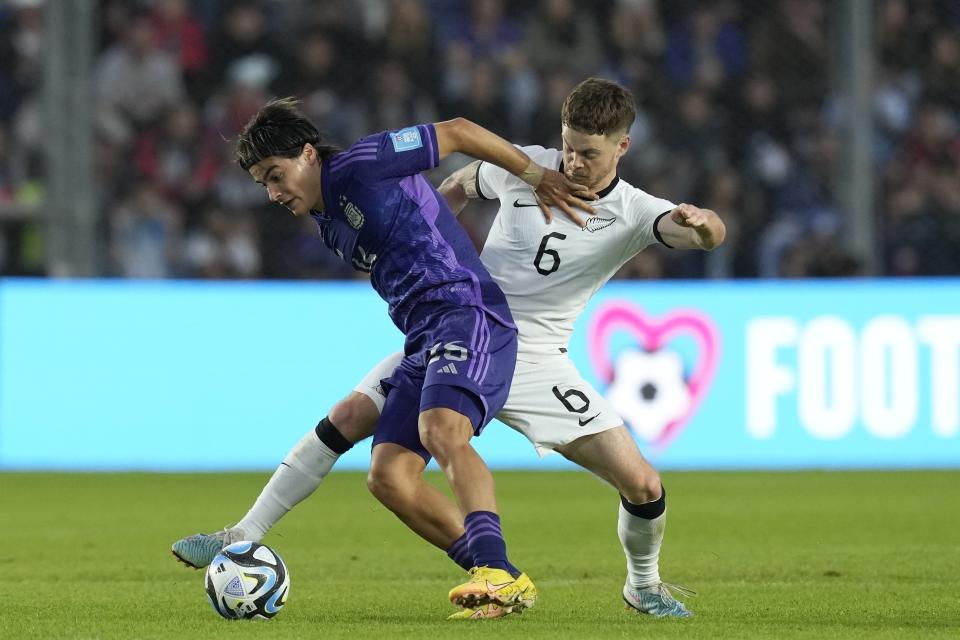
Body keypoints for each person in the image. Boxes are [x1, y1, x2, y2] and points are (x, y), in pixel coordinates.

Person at [173, 78, 725, 619]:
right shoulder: (515, 166)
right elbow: (461, 183)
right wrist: (434, 219)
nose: (573, 163)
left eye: (588, 153)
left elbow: (696, 233)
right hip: (447, 331)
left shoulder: (632, 208)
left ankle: (641, 586)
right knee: (374, 458)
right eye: (568, 148)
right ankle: (493, 575)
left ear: (621, 147)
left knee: (643, 485)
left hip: (511, 342)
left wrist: (704, 226)